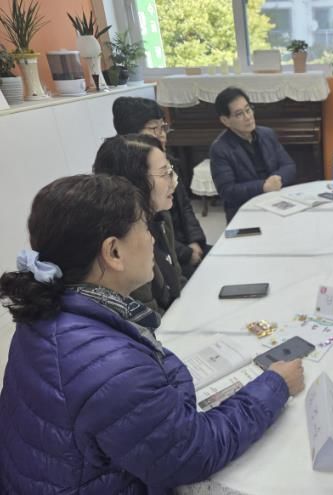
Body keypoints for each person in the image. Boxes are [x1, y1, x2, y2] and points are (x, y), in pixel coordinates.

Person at [0, 174, 305, 494]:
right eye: (145, 228)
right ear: (113, 252)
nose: (152, 239)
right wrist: (276, 385)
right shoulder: (113, 365)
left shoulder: (46, 311)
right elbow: (195, 452)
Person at [112, 96, 209, 278]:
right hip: (161, 261)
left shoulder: (167, 163)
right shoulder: (125, 181)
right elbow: (152, 234)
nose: (162, 134)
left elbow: (185, 206)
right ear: (131, 134)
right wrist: (186, 254)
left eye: (163, 127)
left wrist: (195, 241)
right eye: (154, 129)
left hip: (186, 248)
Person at [93, 134, 184, 314]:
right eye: (164, 173)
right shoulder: (123, 238)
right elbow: (146, 317)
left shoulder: (160, 217)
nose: (174, 180)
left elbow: (176, 280)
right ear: (134, 182)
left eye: (171, 170)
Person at [209, 87, 297, 222]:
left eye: (248, 109)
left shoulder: (267, 134)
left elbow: (289, 165)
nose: (248, 117)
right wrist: (263, 186)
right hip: (244, 210)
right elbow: (227, 190)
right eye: (239, 114)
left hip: (277, 202)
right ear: (225, 120)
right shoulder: (220, 149)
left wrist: (276, 178)